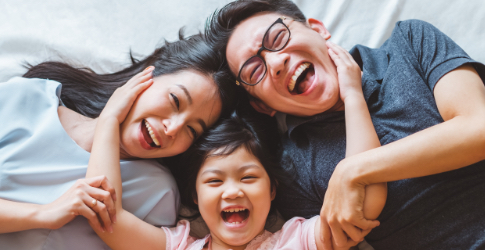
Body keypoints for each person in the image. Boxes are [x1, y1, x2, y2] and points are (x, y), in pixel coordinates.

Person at [204, 0, 485, 249]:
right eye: (254, 70)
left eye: (278, 37)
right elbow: (344, 235)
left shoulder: (410, 41)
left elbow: (478, 128)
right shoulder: (293, 171)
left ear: (318, 29)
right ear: (261, 106)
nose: (276, 62)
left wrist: (353, 171)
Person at [82, 47, 385, 249]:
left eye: (248, 178)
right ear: (194, 197)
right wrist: (109, 119)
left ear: (272, 190)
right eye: (214, 181)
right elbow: (108, 218)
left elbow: (364, 200)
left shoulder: (297, 240)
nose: (232, 192)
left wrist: (353, 98)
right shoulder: (180, 244)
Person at [0, 34, 236, 249]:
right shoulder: (29, 98)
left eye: (192, 130)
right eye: (175, 100)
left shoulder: (156, 192)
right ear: (147, 75)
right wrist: (41, 214)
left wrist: (109, 121)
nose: (172, 128)